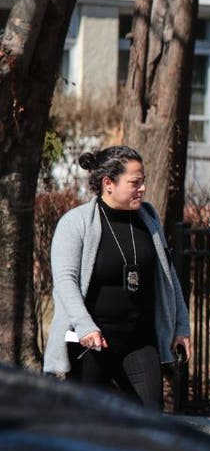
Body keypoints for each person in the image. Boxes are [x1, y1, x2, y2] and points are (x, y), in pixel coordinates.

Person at [44, 146, 192, 410]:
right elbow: (65, 281)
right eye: (135, 182)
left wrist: (181, 326)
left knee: (151, 417)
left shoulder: (149, 220)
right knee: (87, 423)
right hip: (92, 342)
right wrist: (85, 326)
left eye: (143, 181)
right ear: (108, 183)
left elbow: (168, 277)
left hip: (139, 341)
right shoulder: (76, 223)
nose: (143, 188)